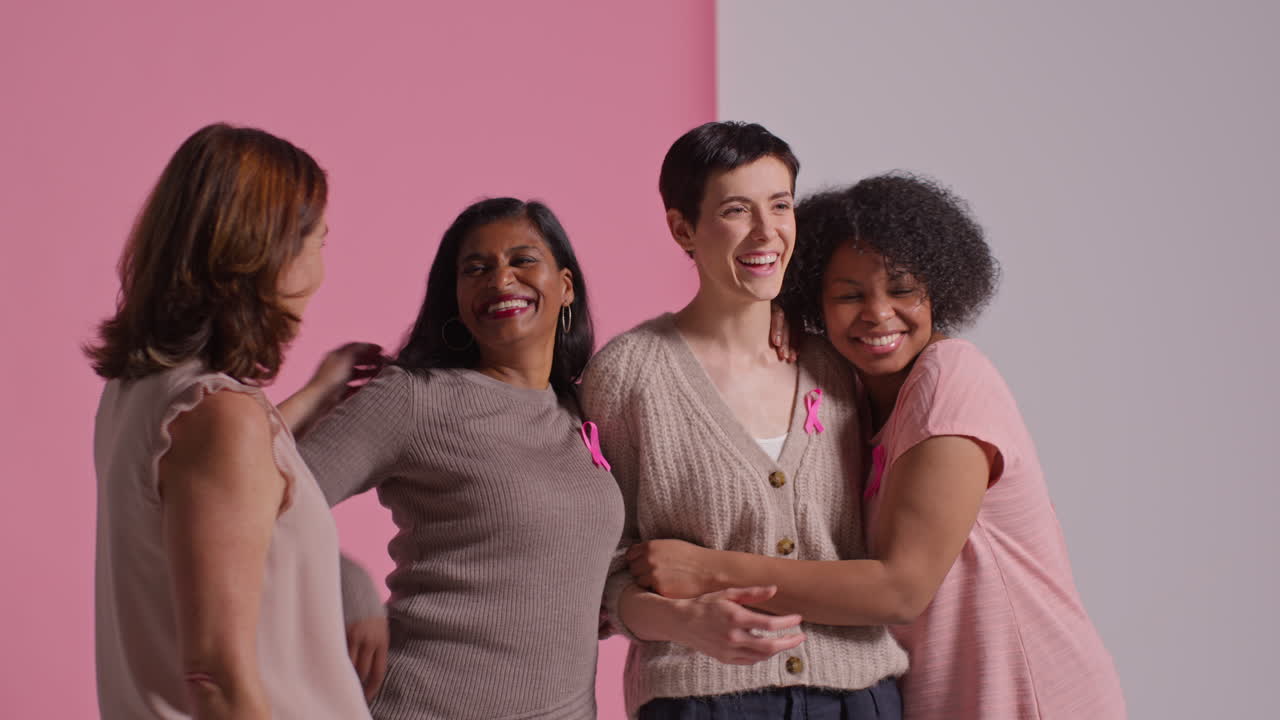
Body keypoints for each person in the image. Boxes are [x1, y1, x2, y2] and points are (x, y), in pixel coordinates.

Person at [628, 173, 1127, 719]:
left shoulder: (950, 378)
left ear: (939, 287)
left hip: (1027, 695)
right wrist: (772, 319)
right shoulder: (850, 401)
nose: (878, 313)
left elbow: (899, 590)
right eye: (848, 295)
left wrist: (709, 571)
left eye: (903, 289)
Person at [582, 122, 908, 719]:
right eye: (737, 210)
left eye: (780, 205)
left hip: (858, 693)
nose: (766, 231)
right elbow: (601, 560)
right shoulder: (628, 376)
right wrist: (681, 621)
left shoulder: (836, 363)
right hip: (701, 698)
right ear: (683, 228)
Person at [295, 197, 624, 720]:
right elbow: (267, 505)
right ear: (456, 297)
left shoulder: (582, 410)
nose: (501, 280)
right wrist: (349, 585)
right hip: (423, 705)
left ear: (566, 286)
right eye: (476, 269)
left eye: (522, 260)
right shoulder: (416, 398)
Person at [88, 123, 374, 719]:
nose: (322, 269)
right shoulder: (219, 419)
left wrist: (316, 396)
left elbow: (221, 489)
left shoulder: (138, 395)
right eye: (319, 241)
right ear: (267, 251)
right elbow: (216, 678)